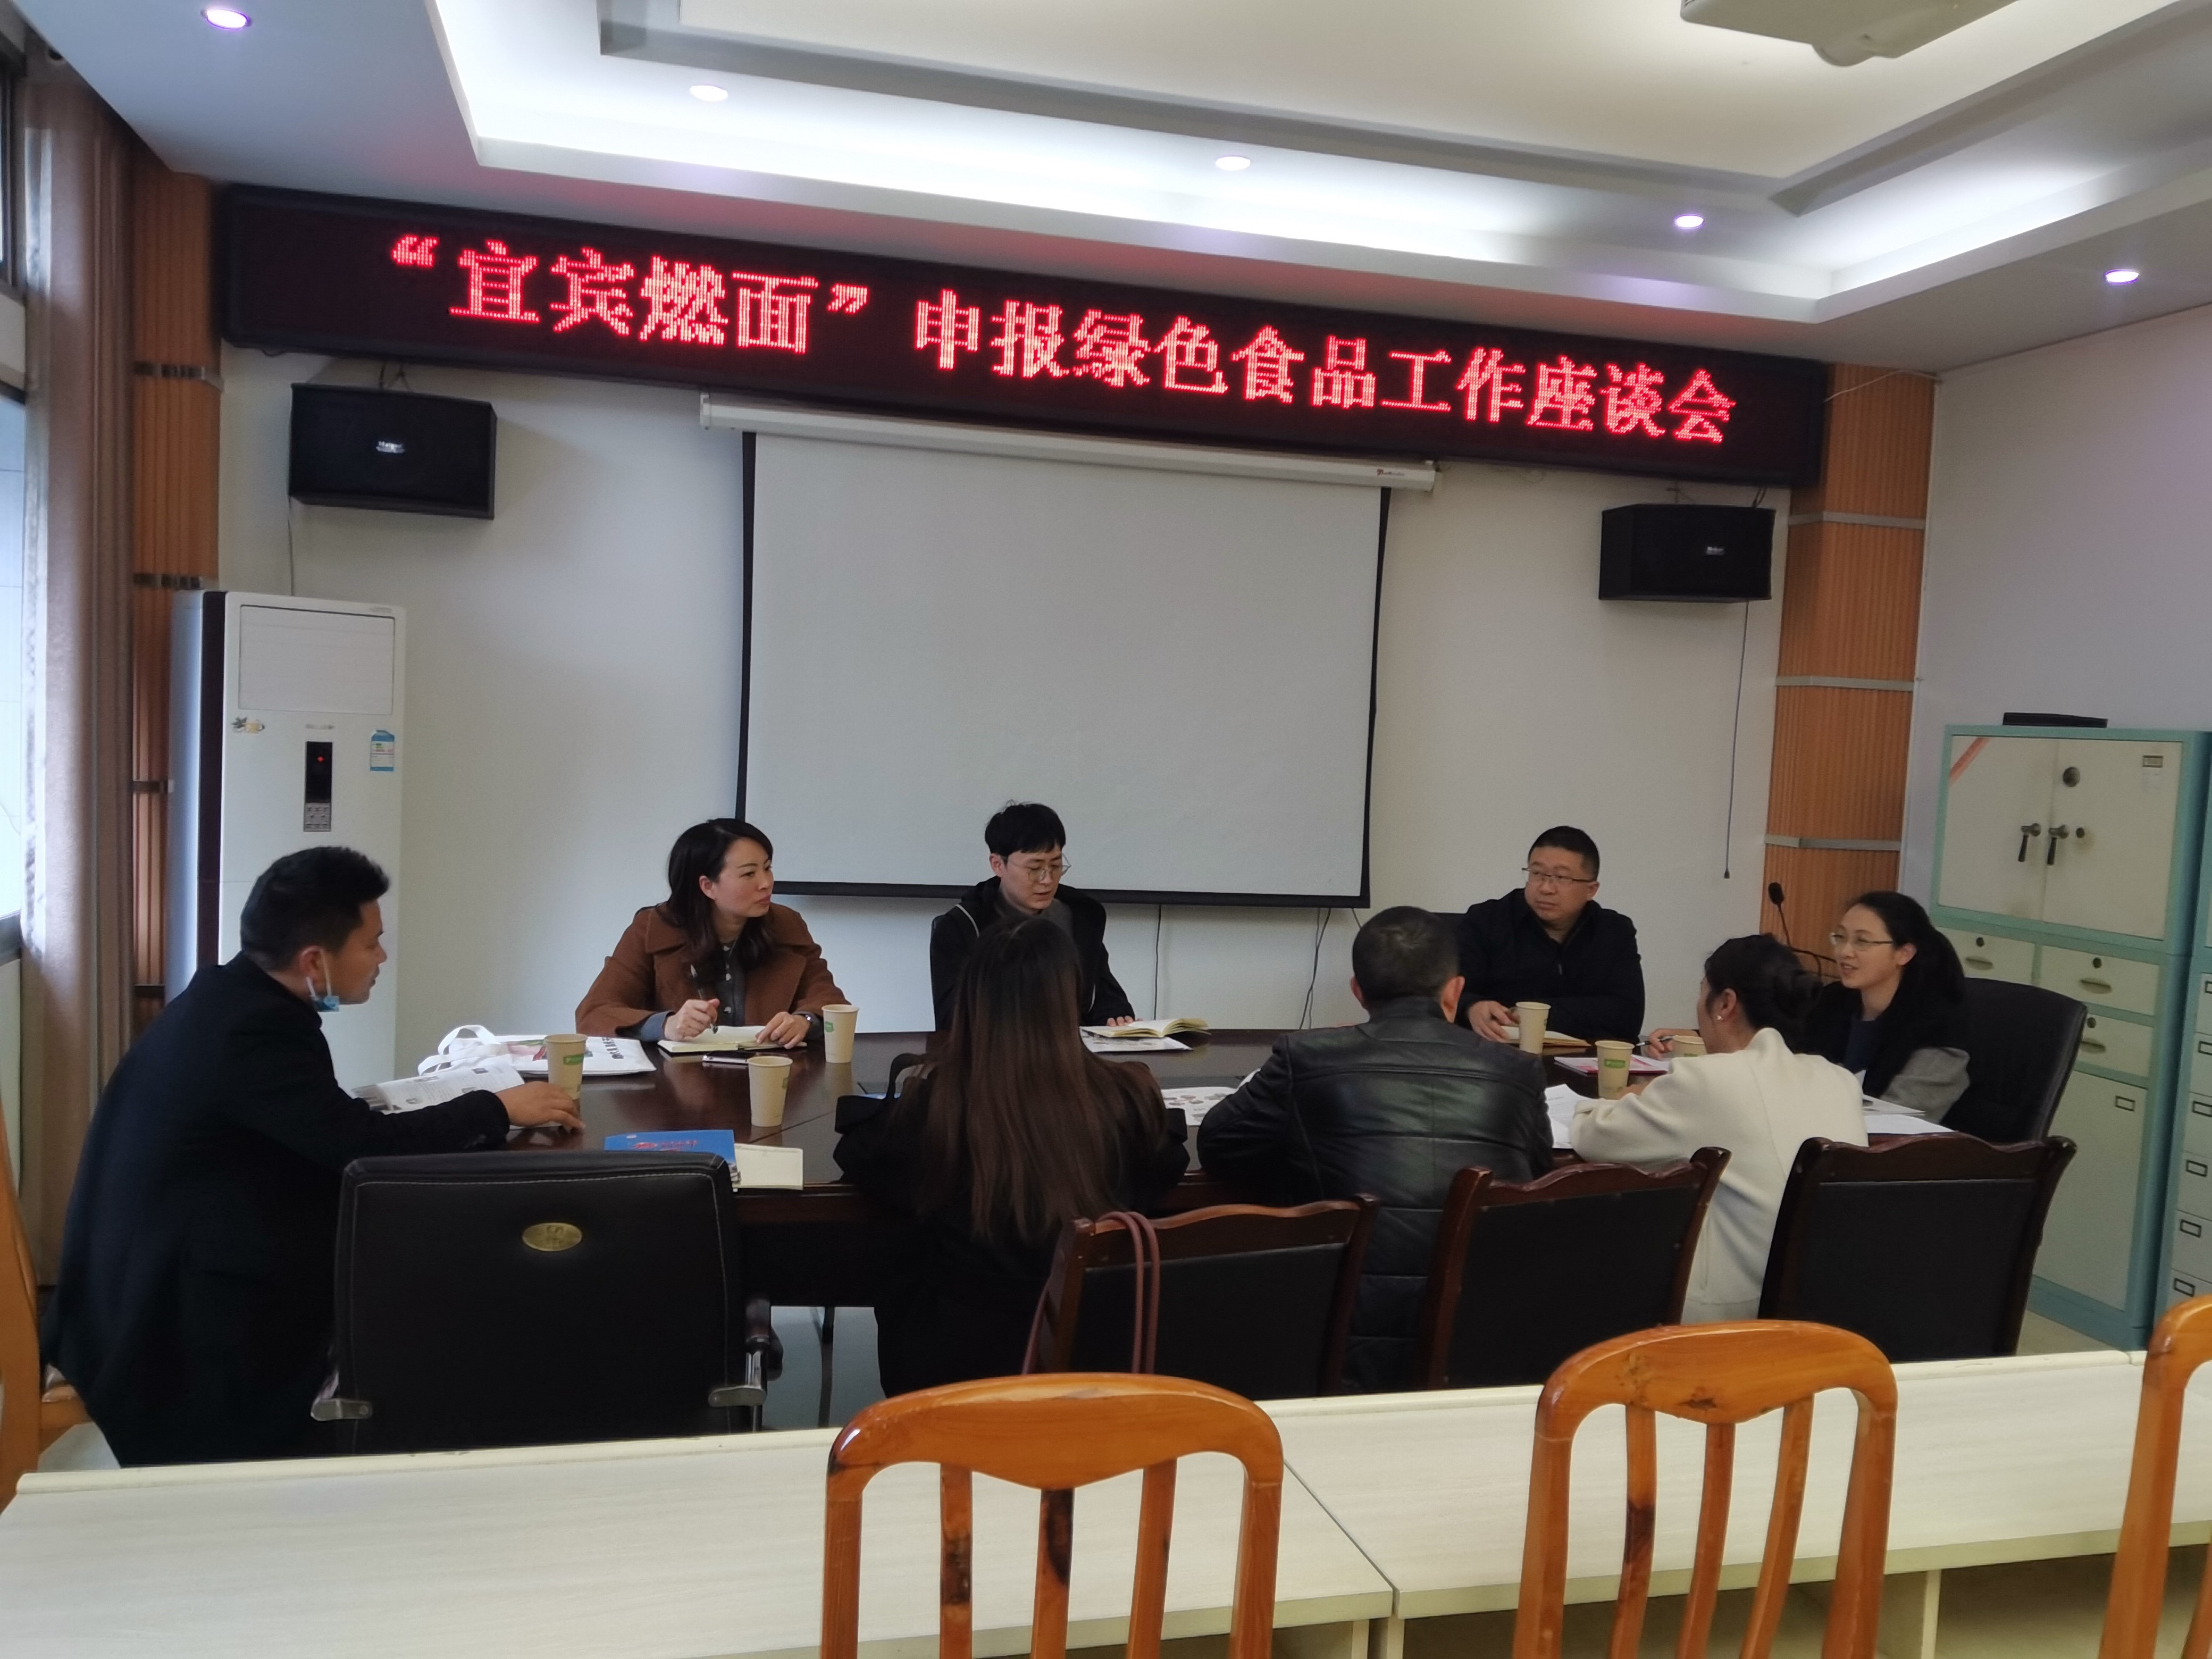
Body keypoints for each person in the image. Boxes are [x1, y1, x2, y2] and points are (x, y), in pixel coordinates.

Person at [40, 847, 583, 1467]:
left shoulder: (232, 998)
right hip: (169, 1325)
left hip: (141, 1281)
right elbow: (359, 1147)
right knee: (429, 1284)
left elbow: (325, 1131)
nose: (382, 958)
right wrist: (497, 1109)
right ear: (314, 961)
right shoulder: (252, 1033)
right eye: (372, 943)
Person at [1196, 907, 1550, 1391]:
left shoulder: (1307, 1058)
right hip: (1480, 1336)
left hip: (1335, 1330)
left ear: (1358, 991)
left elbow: (1219, 1146)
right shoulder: (1519, 1071)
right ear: (1455, 991)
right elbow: (1539, 1177)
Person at [835, 919, 1186, 1395]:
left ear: (972, 1003)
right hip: (1092, 1369)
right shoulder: (1125, 1100)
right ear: (1069, 1001)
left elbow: (861, 1158)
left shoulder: (935, 1107)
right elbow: (1165, 1167)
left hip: (951, 1377)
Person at [1570, 934, 1865, 1323]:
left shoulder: (1711, 1080)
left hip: (1729, 1317)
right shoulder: (1839, 1080)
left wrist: (1623, 1096)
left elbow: (1595, 1137)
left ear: (1725, 1004)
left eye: (1701, 993)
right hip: (1830, 1314)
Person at [577, 819, 843, 1045]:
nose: (766, 883)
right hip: (677, 1083)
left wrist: (805, 1020)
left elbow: (830, 1000)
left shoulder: (786, 924)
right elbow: (595, 1013)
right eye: (749, 874)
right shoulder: (652, 929)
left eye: (767, 868)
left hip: (768, 1074)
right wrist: (667, 1025)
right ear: (707, 886)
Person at [928, 801, 1135, 1033]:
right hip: (999, 1049)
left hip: (1070, 1048)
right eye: (1035, 869)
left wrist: (1115, 1017)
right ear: (998, 864)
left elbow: (1104, 996)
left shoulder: (1079, 918)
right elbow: (953, 1019)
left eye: (1056, 866)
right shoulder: (963, 927)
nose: (1047, 880)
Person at [1455, 826, 1644, 1044]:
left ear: (1591, 890)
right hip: (1499, 1053)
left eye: (1561, 877)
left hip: (1586, 1058)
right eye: (1537, 874)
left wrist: (1532, 1015)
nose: (1546, 888)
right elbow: (1449, 993)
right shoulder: (1486, 920)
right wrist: (1472, 1007)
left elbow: (1628, 1014)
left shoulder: (1614, 931)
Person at [1800, 891, 1970, 1118]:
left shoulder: (1937, 1026)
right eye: (1840, 937)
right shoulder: (1831, 1001)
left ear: (1904, 953)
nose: (1844, 952)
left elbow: (1900, 1117)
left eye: (1862, 941)